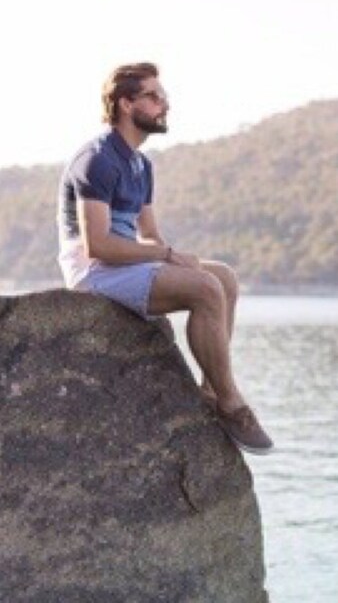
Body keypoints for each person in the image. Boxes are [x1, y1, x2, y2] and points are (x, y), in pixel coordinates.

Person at [57, 62, 273, 455]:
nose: (164, 105)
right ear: (126, 104)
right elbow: (98, 246)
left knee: (223, 277)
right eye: (154, 97)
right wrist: (166, 255)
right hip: (94, 273)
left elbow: (150, 235)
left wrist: (173, 258)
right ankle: (232, 404)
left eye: (164, 97)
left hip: (125, 265)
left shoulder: (141, 165)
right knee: (205, 288)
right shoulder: (97, 159)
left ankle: (211, 392)